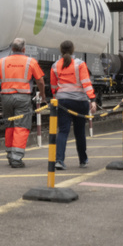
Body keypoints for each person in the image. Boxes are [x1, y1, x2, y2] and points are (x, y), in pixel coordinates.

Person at [0, 38, 50, 168]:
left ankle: (10, 155)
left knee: (9, 125)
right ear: (24, 49)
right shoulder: (30, 62)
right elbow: (40, 81)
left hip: (6, 98)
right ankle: (16, 158)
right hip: (22, 97)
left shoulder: (2, 61)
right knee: (21, 126)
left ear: (12, 48)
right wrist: (42, 94)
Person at [49, 39, 98, 169]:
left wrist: (55, 98)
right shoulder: (80, 64)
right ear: (73, 50)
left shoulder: (55, 65)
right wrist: (92, 99)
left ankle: (59, 160)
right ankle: (83, 160)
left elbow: (53, 86)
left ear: (61, 50)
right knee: (79, 132)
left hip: (62, 101)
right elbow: (86, 83)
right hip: (80, 102)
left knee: (63, 131)